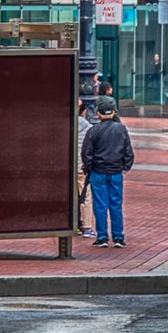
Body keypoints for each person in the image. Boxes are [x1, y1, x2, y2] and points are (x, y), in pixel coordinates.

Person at [80, 97, 135, 248]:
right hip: (116, 171)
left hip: (98, 171)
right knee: (116, 205)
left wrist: (89, 167)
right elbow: (128, 152)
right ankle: (118, 237)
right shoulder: (121, 129)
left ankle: (102, 237)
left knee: (100, 205)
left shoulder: (93, 130)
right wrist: (124, 167)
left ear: (98, 114)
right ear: (113, 113)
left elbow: (86, 153)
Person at [76, 100, 97, 234]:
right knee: (86, 196)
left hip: (68, 168)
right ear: (84, 112)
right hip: (83, 168)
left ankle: (73, 224)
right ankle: (86, 226)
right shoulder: (90, 129)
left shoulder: (66, 126)